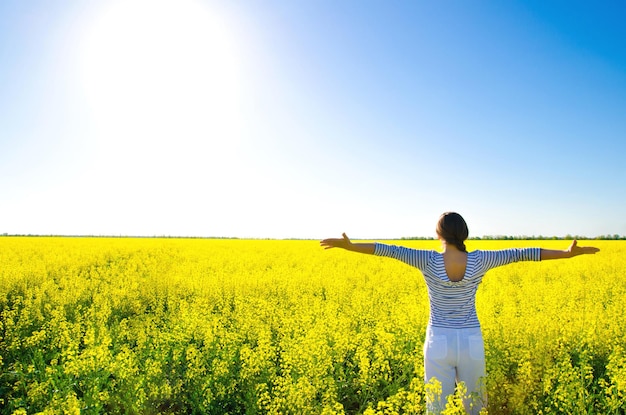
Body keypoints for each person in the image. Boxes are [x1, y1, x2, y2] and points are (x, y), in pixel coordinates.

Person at [320, 212, 600, 414]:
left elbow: (388, 250)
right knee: (475, 407)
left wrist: (352, 246)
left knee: (437, 407)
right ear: (463, 234)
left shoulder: (427, 259)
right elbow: (523, 252)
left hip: (438, 340)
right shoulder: (480, 259)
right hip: (471, 341)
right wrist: (566, 253)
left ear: (438, 234)